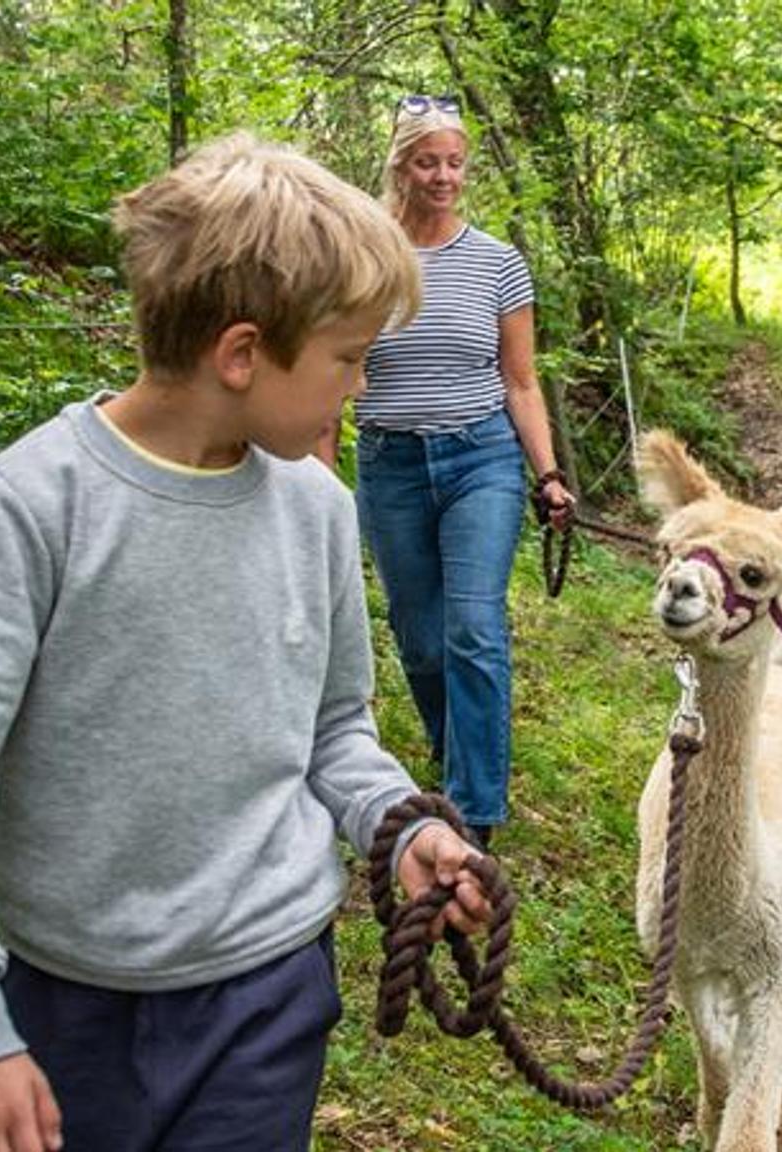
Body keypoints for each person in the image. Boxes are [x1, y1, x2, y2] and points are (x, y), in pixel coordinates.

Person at [0, 133, 493, 1152]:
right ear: (242, 353)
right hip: (67, 1001)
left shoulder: (317, 509)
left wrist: (397, 824)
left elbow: (334, 729)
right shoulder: (34, 503)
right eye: (347, 358)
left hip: (268, 991)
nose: (360, 388)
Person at [322, 94, 574, 851]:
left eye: (455, 163)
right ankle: (452, 748)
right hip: (391, 464)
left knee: (473, 628)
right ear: (401, 165)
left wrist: (548, 474)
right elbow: (335, 377)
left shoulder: (498, 263)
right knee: (421, 639)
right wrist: (318, 480)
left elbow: (520, 382)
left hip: (481, 459)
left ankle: (474, 810)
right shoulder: (366, 259)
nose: (443, 176)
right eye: (428, 162)